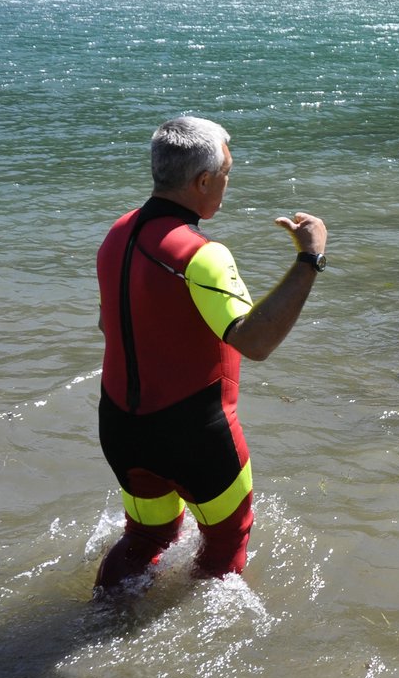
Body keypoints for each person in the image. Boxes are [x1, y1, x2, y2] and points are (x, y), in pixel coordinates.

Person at [94, 116, 327, 595]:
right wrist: (309, 260)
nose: (227, 184)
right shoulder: (202, 255)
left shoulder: (117, 233)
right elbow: (255, 342)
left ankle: (98, 620)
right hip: (196, 434)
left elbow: (108, 325)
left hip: (120, 426)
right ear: (203, 181)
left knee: (144, 538)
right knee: (225, 547)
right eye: (227, 174)